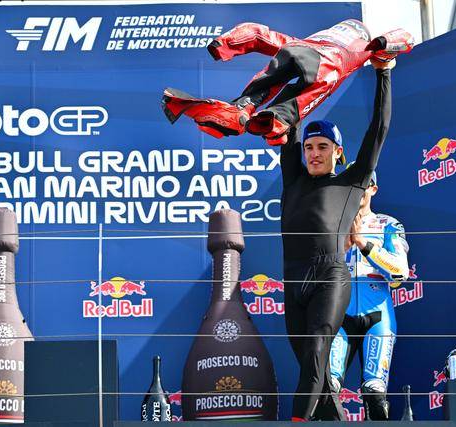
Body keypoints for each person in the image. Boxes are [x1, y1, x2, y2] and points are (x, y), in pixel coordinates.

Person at [279, 54, 396, 421]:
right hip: (293, 280)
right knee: (312, 370)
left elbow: (378, 129)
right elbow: (290, 119)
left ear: (338, 152)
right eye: (309, 147)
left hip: (330, 278)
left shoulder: (350, 181)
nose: (314, 154)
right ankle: (335, 421)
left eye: (323, 147)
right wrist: (298, 75)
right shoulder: (293, 179)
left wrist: (383, 74)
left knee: (317, 354)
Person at [161, 20, 413, 145]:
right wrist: (383, 47)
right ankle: (275, 120)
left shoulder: (305, 40)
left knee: (266, 84)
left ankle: (239, 109)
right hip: (328, 66)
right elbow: (403, 38)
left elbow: (259, 34)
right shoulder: (362, 46)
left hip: (294, 50)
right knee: (320, 83)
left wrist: (225, 44)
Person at [328, 169, 410, 420]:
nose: (357, 190)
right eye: (352, 184)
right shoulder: (331, 222)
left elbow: (400, 272)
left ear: (373, 189)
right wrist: (342, 247)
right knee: (327, 388)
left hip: (378, 316)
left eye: (363, 184)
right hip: (339, 314)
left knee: (375, 393)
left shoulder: (389, 224)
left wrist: (364, 244)